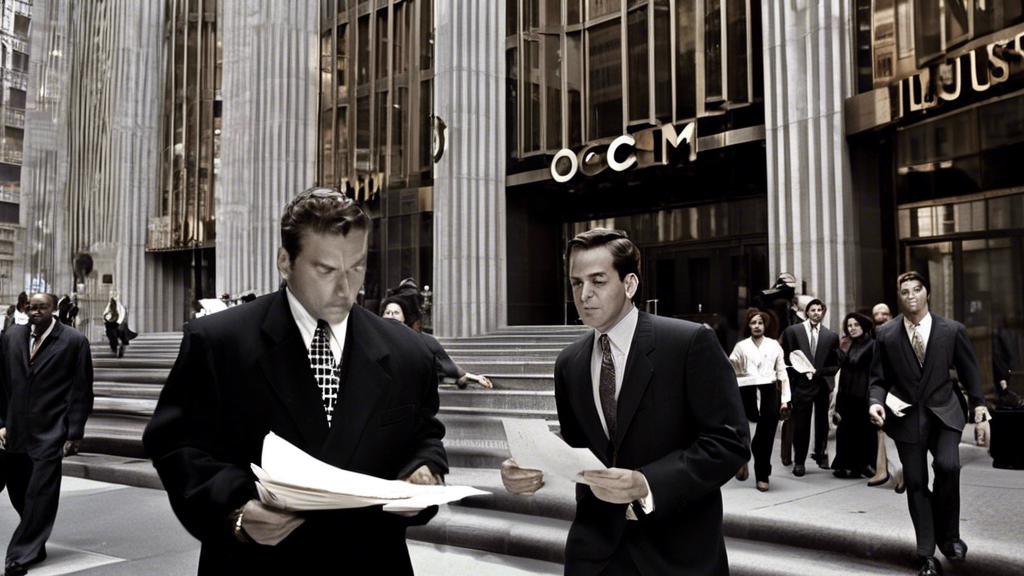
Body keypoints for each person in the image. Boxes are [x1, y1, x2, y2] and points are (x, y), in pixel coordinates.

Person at [142, 187, 448, 575]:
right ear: (285, 262)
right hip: (258, 563)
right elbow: (177, 445)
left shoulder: (409, 351)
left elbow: (425, 434)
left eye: (356, 267)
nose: (345, 287)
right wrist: (236, 511)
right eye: (326, 270)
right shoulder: (219, 342)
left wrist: (424, 468)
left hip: (372, 559)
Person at [502, 228, 750, 576]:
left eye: (598, 281)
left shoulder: (689, 342)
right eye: (576, 283)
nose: (584, 294)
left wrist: (647, 483)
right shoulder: (569, 363)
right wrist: (531, 466)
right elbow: (580, 448)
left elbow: (730, 442)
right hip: (594, 555)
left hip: (675, 554)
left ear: (630, 284)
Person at [868, 271, 990, 576]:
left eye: (917, 290)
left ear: (928, 293)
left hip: (946, 412)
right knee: (918, 483)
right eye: (905, 291)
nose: (911, 296)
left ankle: (950, 538)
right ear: (900, 297)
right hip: (907, 417)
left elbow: (970, 372)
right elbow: (878, 379)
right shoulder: (887, 334)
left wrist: (979, 408)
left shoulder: (952, 330)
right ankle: (927, 555)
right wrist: (874, 402)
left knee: (948, 467)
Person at [0, 293, 93, 576]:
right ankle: (35, 543)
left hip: (51, 430)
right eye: (32, 307)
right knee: (19, 491)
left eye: (43, 307)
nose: (36, 311)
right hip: (14, 430)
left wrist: (74, 432)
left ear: (54, 310)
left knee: (40, 494)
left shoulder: (74, 341)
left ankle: (19, 556)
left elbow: (81, 389)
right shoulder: (11, 336)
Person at [728, 309, 790, 492]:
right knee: (743, 430)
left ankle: (763, 474)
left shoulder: (774, 346)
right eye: (753, 323)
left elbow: (782, 373)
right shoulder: (741, 346)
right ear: (748, 326)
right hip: (746, 390)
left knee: (766, 436)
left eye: (760, 323)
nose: (757, 326)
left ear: (765, 325)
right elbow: (733, 369)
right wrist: (734, 363)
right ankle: (742, 458)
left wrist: (785, 400)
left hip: (769, 391)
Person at [379, 294, 492, 389]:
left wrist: (474, 378)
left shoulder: (419, 339)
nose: (391, 315)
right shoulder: (376, 339)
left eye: (396, 313)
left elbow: (444, 364)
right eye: (387, 312)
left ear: (404, 318)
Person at [780, 299, 840, 476]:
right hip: (801, 384)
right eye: (812, 310)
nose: (816, 313)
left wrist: (820, 373)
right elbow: (786, 359)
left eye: (819, 310)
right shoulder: (793, 331)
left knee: (822, 422)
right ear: (806, 312)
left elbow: (835, 364)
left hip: (821, 384)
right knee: (801, 424)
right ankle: (799, 461)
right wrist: (789, 386)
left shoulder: (831, 336)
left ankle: (821, 455)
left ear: (823, 312)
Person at [830, 313, 877, 479]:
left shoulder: (872, 345)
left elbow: (874, 373)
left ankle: (861, 465)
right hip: (847, 394)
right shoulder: (850, 344)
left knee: (861, 431)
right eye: (849, 325)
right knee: (845, 430)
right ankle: (844, 464)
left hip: (862, 395)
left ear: (864, 326)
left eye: (856, 325)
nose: (852, 328)